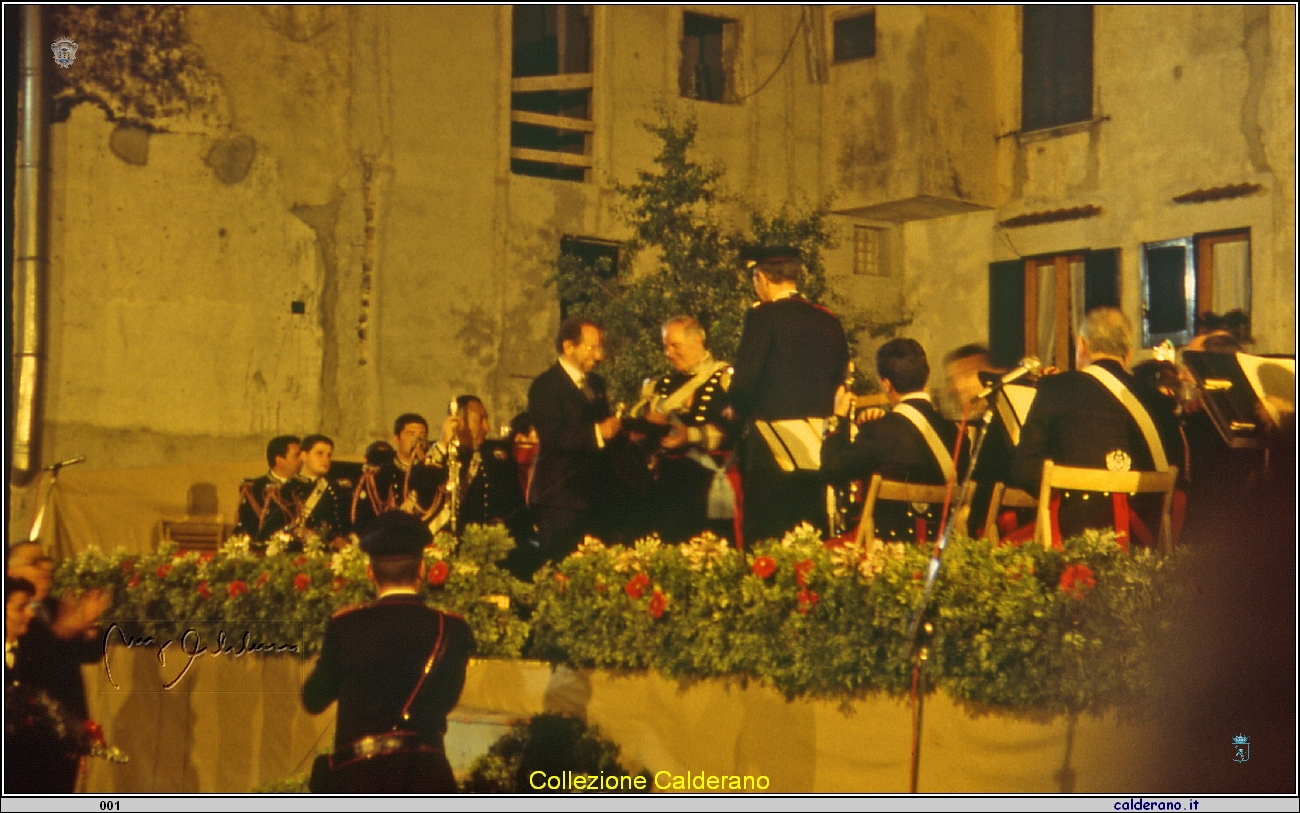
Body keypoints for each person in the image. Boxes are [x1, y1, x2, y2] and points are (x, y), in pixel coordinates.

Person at [303, 511, 473, 793]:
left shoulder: (346, 626)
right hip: (427, 779)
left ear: (370, 572)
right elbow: (447, 700)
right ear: (421, 570)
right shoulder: (451, 628)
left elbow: (313, 699)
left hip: (360, 780)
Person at [1010, 307, 1185, 544]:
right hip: (1142, 538)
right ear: (1129, 353)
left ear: (1081, 346)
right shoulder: (1157, 400)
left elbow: (1024, 470)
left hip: (1072, 535)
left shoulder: (1055, 388)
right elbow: (1176, 471)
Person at [729, 246, 849, 543]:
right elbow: (840, 380)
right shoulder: (829, 320)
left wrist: (736, 407)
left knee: (768, 536)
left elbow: (743, 386)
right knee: (809, 533)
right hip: (817, 445)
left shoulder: (762, 318)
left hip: (771, 448)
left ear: (762, 279)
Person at [823, 338, 968, 543]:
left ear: (886, 384)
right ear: (925, 378)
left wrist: (837, 417)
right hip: (944, 549)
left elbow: (832, 469)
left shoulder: (878, 432)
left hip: (888, 550)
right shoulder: (955, 432)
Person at [6, 542, 111, 792]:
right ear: (10, 572)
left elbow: (88, 652)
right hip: (27, 743)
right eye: (34, 563)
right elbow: (33, 661)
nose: (46, 567)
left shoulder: (54, 606)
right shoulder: (13, 615)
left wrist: (87, 628)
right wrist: (65, 630)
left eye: (46, 560)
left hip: (66, 732)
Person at [527, 316, 621, 570]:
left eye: (599, 348)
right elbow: (553, 437)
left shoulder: (596, 385)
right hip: (562, 497)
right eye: (591, 348)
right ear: (568, 347)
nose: (598, 355)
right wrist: (598, 432)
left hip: (596, 497)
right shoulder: (545, 386)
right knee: (561, 570)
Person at [632, 316, 736, 543]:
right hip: (668, 487)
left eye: (675, 345)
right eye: (665, 346)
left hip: (708, 485)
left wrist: (691, 435)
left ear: (697, 340)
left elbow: (737, 431)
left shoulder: (725, 380)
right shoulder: (660, 386)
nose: (668, 353)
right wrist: (649, 425)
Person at [424, 396, 529, 543]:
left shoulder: (496, 461)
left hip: (482, 546)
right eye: (481, 420)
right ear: (458, 422)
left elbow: (516, 514)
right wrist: (443, 443)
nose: (487, 427)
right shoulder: (438, 456)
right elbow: (423, 488)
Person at [942, 343, 1015, 535]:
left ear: (991, 374)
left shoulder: (1001, 422)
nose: (955, 388)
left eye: (964, 376)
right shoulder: (977, 424)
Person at [351, 415, 444, 535]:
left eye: (422, 435)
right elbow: (363, 517)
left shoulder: (433, 474)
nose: (417, 440)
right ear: (396, 439)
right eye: (411, 434)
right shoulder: (379, 475)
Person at [234, 435, 303, 544]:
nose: (301, 460)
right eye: (296, 456)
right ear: (279, 460)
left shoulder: (302, 487)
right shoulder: (255, 488)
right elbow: (248, 526)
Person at [287, 434, 352, 548]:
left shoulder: (337, 489)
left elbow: (345, 524)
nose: (326, 459)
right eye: (319, 453)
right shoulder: (286, 489)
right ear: (304, 456)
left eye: (329, 455)